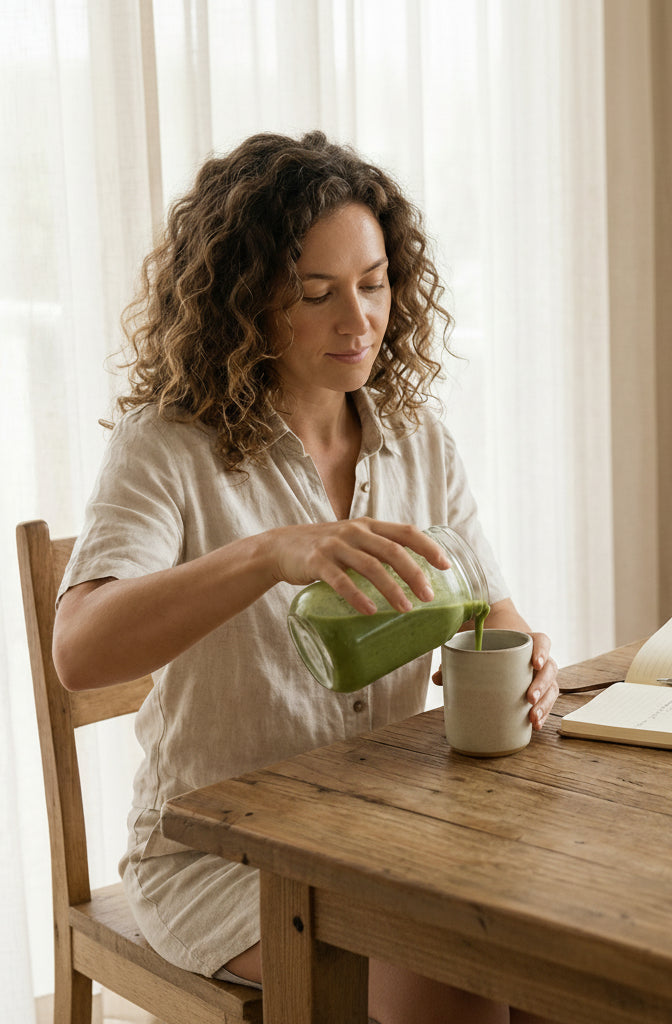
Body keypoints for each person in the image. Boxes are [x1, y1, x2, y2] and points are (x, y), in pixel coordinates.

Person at [52, 130, 559, 1023]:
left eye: (373, 284)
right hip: (220, 858)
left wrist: (530, 665)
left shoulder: (417, 439)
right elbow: (82, 652)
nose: (357, 319)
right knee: (448, 969)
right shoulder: (169, 445)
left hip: (387, 833)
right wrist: (265, 553)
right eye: (316, 294)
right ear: (244, 304)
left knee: (564, 944)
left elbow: (496, 615)